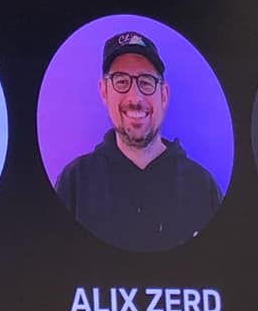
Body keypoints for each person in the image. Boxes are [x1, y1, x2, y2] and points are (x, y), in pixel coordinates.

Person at [52, 30, 222, 252]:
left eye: (146, 82)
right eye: (121, 81)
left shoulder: (202, 187)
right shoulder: (75, 182)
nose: (135, 98)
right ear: (104, 92)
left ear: (164, 95)